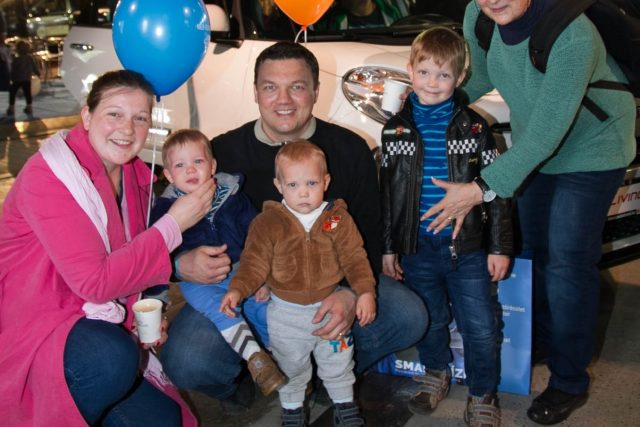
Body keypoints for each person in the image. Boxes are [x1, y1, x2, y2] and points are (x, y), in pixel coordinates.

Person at [159, 41, 429, 411]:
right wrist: (179, 264)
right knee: (186, 360)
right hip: (242, 288)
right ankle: (244, 379)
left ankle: (324, 375)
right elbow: (165, 225)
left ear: (316, 90)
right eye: (270, 87)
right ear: (255, 92)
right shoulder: (219, 154)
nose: (283, 100)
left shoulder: (350, 149)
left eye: (297, 86)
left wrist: (350, 293)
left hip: (324, 285)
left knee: (408, 315)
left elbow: (366, 236)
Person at [423, 1, 637, 425]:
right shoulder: (480, 15)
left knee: (567, 262)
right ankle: (542, 340)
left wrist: (480, 189)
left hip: (593, 147)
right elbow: (480, 76)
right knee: (533, 250)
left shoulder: (572, 33)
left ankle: (569, 379)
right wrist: (429, 101)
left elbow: (546, 133)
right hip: (537, 147)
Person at [0, 69, 216, 426]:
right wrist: (173, 224)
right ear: (87, 116)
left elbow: (131, 263)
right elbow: (96, 282)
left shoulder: (133, 175)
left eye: (140, 118)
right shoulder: (50, 174)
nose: (127, 129)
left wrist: (143, 317)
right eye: (114, 114)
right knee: (112, 358)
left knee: (165, 420)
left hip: (92, 320)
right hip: (34, 325)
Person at [380, 27, 513, 426]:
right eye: (424, 72)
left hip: (468, 249)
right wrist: (389, 247)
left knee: (480, 326)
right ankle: (436, 372)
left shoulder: (475, 129)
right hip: (418, 248)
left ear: (460, 77)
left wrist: (499, 247)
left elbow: (498, 189)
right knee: (431, 318)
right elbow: (388, 195)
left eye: (443, 75)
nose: (433, 83)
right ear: (410, 71)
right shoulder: (394, 130)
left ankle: (483, 392)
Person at [220, 141, 376, 426]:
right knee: (290, 367)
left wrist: (364, 291)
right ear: (278, 185)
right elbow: (254, 262)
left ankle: (345, 407)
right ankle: (292, 410)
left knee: (339, 362)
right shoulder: (268, 223)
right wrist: (238, 289)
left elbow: (354, 257)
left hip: (329, 308)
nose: (303, 192)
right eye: (293, 185)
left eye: (312, 183)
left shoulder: (335, 219)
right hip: (285, 314)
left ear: (326, 182)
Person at [149, 128, 285, 396]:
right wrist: (158, 304)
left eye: (198, 161)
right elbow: (154, 255)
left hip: (243, 271)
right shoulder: (164, 211)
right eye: (180, 165)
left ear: (212, 166)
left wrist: (265, 275)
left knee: (265, 309)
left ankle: (283, 361)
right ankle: (255, 358)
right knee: (219, 309)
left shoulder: (232, 195)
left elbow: (257, 234)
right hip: (199, 283)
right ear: (169, 175)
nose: (190, 169)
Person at [6, 39, 39, 116]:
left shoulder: (16, 59)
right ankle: (29, 107)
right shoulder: (30, 58)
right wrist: (37, 73)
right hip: (27, 79)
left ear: (17, 49)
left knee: (13, 93)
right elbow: (34, 67)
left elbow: (12, 68)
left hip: (17, 79)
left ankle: (11, 107)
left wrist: (10, 77)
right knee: (27, 93)